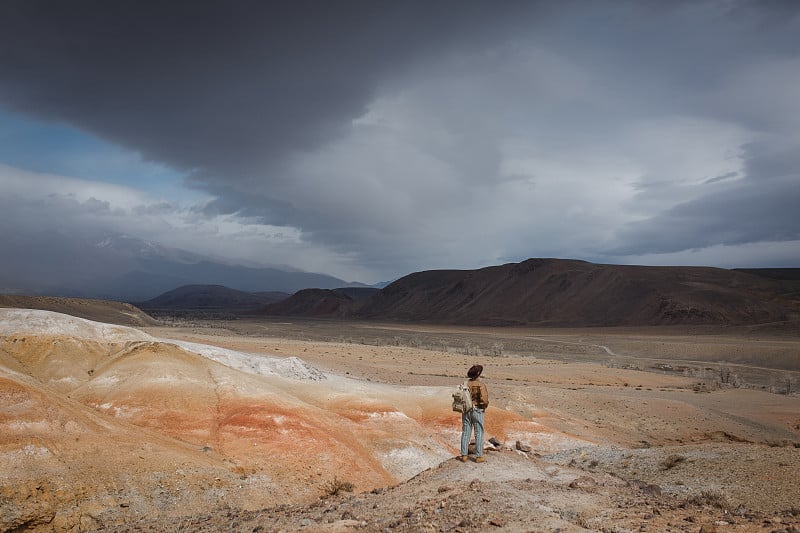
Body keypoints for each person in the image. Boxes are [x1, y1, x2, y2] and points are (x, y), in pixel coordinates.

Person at [458, 363, 489, 463]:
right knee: (479, 432)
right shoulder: (480, 384)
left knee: (466, 431)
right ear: (478, 373)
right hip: (477, 410)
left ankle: (464, 455)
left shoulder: (465, 383)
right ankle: (479, 456)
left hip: (466, 410)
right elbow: (484, 399)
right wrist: (484, 406)